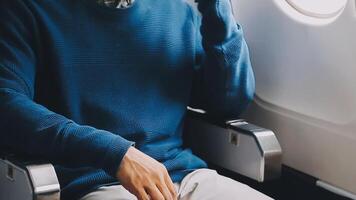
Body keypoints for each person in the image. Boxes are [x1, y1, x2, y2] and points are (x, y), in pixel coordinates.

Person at [0, 0, 272, 199]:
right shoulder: (26, 9)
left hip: (185, 179)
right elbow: (8, 105)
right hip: (94, 183)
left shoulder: (179, 12)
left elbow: (228, 102)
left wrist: (216, 8)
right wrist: (115, 154)